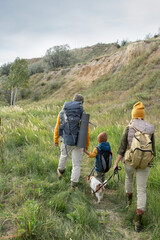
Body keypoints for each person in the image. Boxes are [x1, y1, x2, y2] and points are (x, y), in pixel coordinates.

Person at [113, 101, 156, 232]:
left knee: (129, 179)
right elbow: (153, 149)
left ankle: (129, 202)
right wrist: (149, 162)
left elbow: (121, 149)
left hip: (130, 162)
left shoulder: (128, 127)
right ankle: (138, 221)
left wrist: (116, 163)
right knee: (142, 189)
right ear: (143, 115)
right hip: (145, 164)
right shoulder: (150, 129)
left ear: (133, 115)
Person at [54, 94, 90, 189]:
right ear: (81, 103)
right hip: (78, 142)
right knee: (76, 164)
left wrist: (56, 139)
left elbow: (58, 126)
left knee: (63, 156)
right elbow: (86, 131)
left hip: (66, 140)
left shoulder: (63, 111)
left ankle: (60, 171)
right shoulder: (82, 112)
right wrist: (86, 144)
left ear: (73, 100)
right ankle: (74, 185)